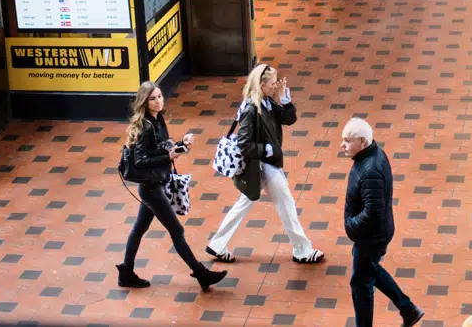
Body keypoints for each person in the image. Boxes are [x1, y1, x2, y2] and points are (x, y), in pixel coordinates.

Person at [206, 64, 325, 264]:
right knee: (286, 204)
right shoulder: (251, 109)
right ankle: (302, 250)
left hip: (263, 165)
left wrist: (285, 98)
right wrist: (266, 150)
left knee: (245, 202)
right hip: (263, 165)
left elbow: (288, 119)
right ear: (261, 84)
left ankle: (217, 244)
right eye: (272, 83)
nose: (275, 86)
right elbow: (244, 144)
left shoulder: (267, 102)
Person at [118, 82, 229, 290]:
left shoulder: (157, 120)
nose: (158, 101)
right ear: (144, 101)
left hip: (155, 184)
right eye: (153, 98)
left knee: (139, 229)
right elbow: (141, 160)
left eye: (160, 96)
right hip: (151, 188)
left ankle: (126, 272)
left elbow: (162, 148)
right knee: (176, 231)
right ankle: (201, 274)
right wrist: (168, 155)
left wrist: (181, 145)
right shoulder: (145, 126)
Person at [340, 118, 423, 327]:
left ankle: (405, 310)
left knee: (360, 284)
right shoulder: (372, 154)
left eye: (347, 141)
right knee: (369, 269)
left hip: (371, 236)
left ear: (362, 141)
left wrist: (350, 225)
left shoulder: (370, 171)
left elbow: (373, 212)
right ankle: (408, 309)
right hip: (373, 233)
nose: (342, 145)